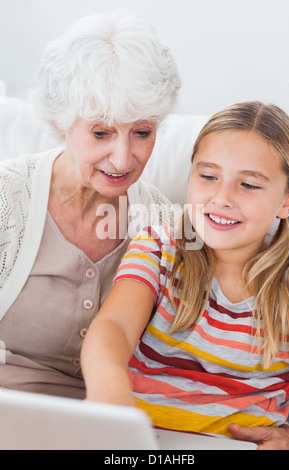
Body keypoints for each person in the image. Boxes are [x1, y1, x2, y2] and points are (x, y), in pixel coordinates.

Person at [81, 101, 289, 450]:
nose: (222, 197)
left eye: (249, 185)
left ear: (288, 200)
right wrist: (109, 393)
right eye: (209, 176)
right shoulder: (159, 249)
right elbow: (114, 327)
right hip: (142, 445)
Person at [0, 11, 181, 399]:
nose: (122, 159)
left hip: (104, 428)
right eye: (101, 132)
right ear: (60, 121)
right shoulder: (7, 197)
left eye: (142, 133)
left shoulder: (168, 224)